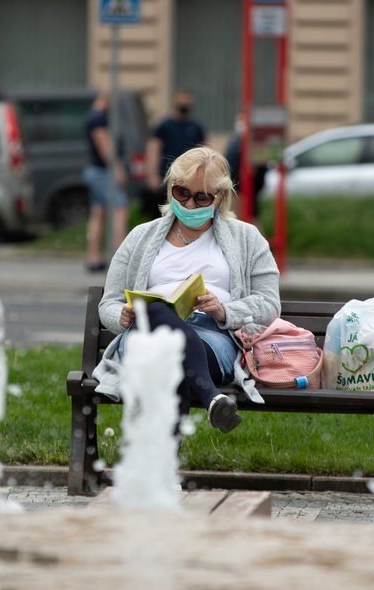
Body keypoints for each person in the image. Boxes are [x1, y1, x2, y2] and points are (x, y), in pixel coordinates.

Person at [92, 146, 281, 437]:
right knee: (155, 311)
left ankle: (163, 476)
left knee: (169, 360)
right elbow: (109, 302)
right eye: (182, 193)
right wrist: (123, 315)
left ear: (219, 198)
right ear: (171, 190)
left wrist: (224, 311)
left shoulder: (247, 238)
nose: (191, 204)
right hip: (144, 336)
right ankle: (211, 398)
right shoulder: (140, 237)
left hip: (212, 340)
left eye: (201, 196)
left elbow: (269, 304)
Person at [83, 92, 128, 272]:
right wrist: (116, 167)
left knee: (98, 213)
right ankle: (121, 259)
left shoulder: (91, 116)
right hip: (102, 172)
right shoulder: (98, 118)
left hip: (94, 170)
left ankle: (93, 257)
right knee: (120, 210)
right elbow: (103, 144)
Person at [144, 89, 206, 219]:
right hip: (166, 179)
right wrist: (152, 175)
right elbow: (153, 149)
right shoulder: (163, 126)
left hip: (190, 180)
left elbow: (204, 152)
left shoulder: (196, 127)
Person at [224, 112, 267, 220]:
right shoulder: (235, 141)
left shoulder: (256, 143)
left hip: (249, 190)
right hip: (236, 189)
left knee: (249, 219)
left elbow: (261, 169)